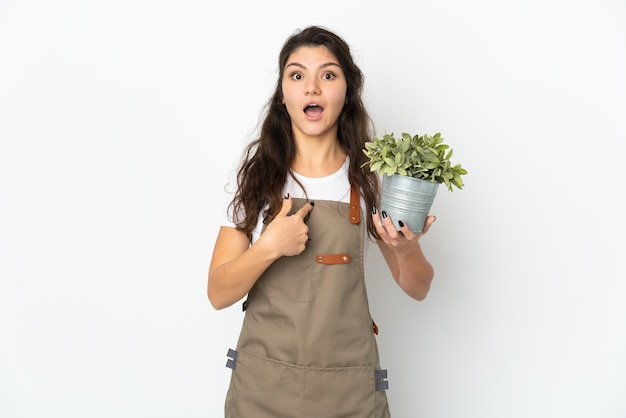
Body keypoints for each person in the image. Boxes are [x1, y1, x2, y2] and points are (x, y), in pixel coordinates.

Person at [207, 25, 435, 418]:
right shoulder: (256, 177)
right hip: (263, 390)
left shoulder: (369, 180)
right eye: (297, 75)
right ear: (283, 93)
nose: (312, 87)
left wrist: (407, 247)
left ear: (347, 91)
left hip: (348, 392)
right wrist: (269, 247)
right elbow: (218, 293)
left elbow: (418, 287)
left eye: (328, 75)